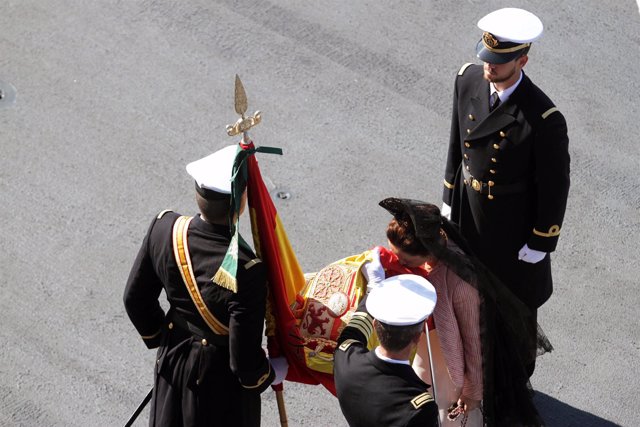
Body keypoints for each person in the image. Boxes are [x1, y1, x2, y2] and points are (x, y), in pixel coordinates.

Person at [441, 8, 570, 376]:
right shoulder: (467, 80)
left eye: (499, 62)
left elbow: (555, 185)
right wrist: (450, 198)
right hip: (470, 213)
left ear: (523, 60)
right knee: (469, 297)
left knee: (514, 310)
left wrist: (541, 240)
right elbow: (456, 144)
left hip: (512, 227)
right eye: (487, 57)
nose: (488, 68)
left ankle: (514, 381)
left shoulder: (543, 117)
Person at [123, 144, 288, 427]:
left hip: (173, 363)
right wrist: (269, 373)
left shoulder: (164, 228)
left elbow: (135, 299)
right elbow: (244, 363)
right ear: (241, 200)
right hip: (219, 390)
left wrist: (163, 338)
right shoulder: (247, 270)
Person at [362, 197, 551, 426]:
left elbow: (474, 342)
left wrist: (472, 392)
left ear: (427, 251)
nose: (395, 260)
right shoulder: (430, 249)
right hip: (424, 354)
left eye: (403, 258)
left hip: (451, 370)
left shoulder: (459, 283)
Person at [333, 274, 439, 427]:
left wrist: (374, 288)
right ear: (417, 337)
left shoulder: (345, 358)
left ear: (375, 325)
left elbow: (354, 329)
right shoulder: (420, 408)